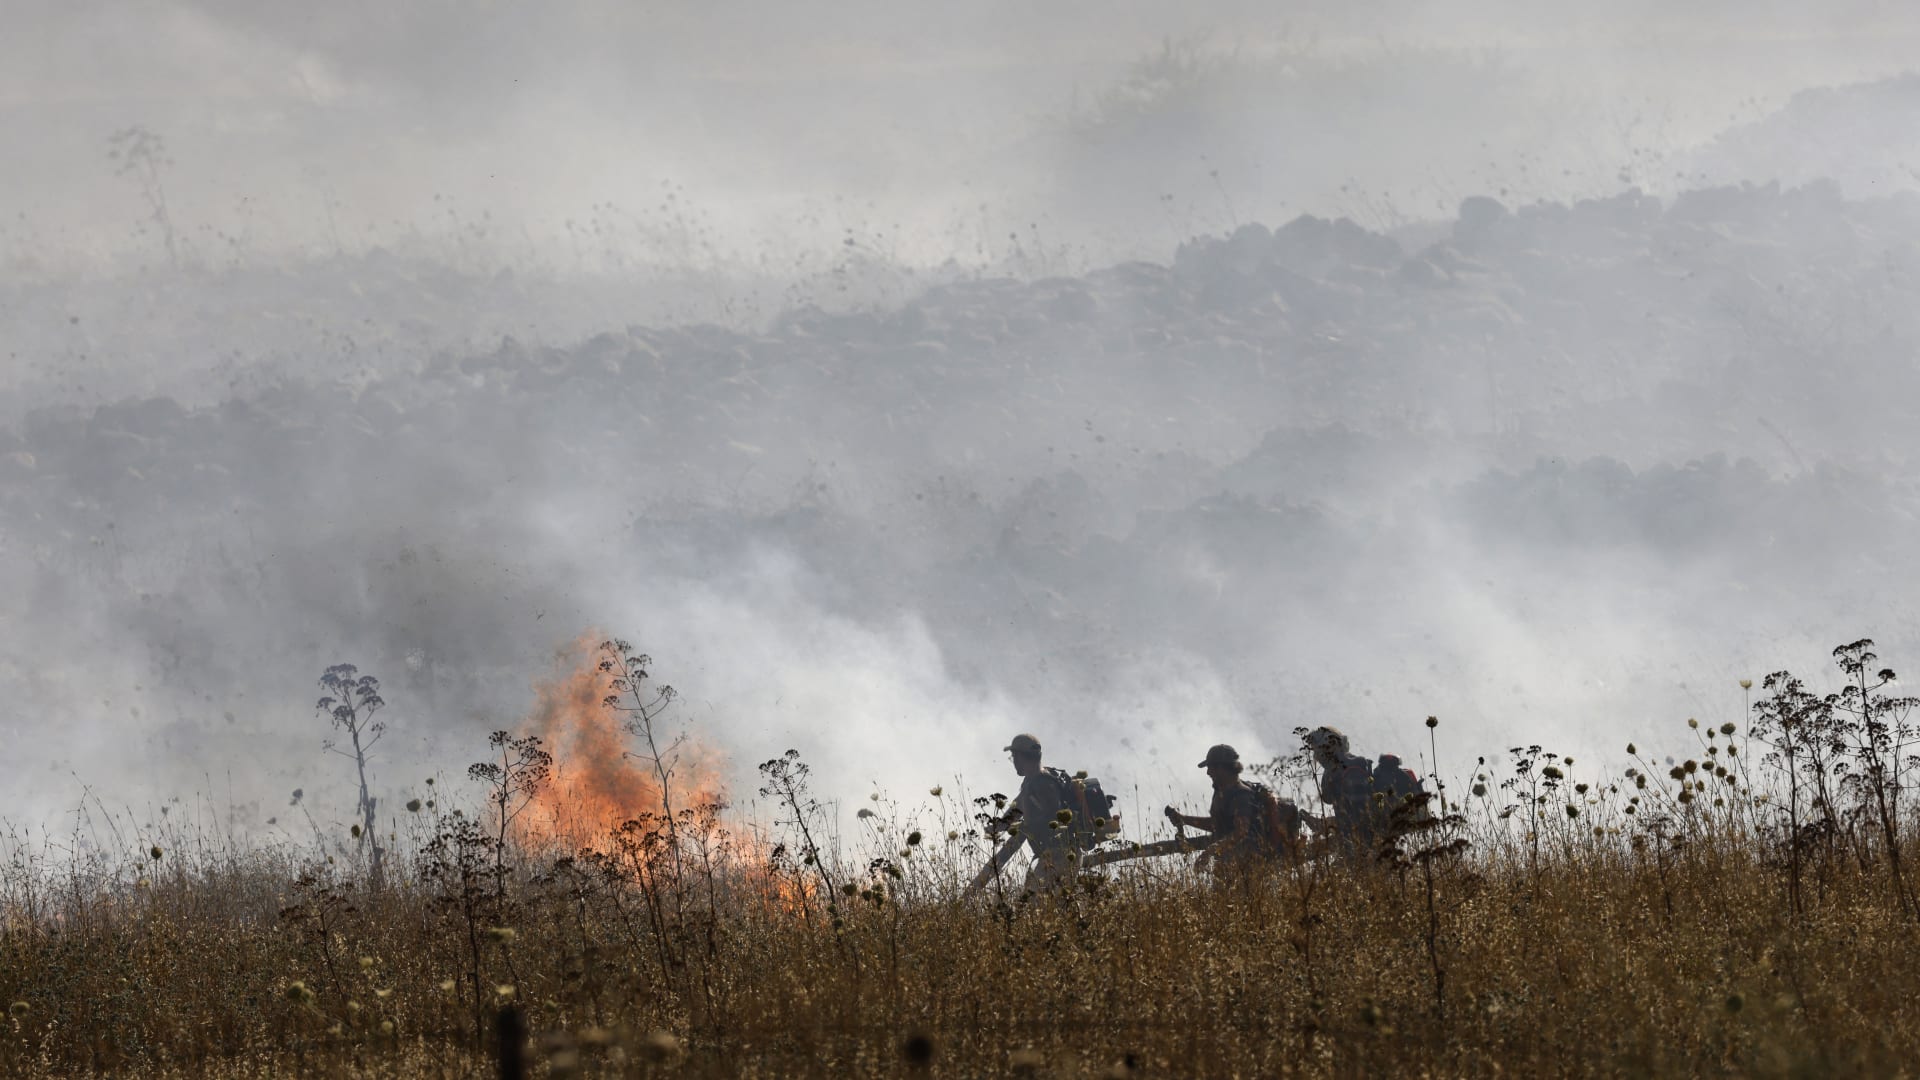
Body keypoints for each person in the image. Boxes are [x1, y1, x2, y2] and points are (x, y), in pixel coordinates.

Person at [966, 733, 1075, 897]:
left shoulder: (1043, 785)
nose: (1013, 762)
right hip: (1051, 855)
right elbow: (1018, 807)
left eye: (1014, 757)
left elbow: (1055, 819)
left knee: (1034, 902)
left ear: (1024, 757)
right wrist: (1000, 825)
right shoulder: (1032, 781)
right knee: (1042, 902)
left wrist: (1026, 826)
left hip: (1059, 855)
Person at [1163, 744, 1291, 874]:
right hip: (1231, 862)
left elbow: (1241, 831)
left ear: (1221, 768)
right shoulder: (1221, 791)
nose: (1208, 772)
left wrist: (1211, 850)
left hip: (1248, 866)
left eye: (1210, 768)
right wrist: (1184, 819)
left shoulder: (1241, 795)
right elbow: (1217, 824)